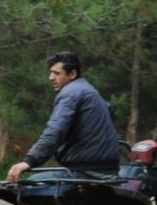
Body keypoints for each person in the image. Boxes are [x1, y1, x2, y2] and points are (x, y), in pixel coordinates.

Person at [6, 51, 120, 183]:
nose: (51, 77)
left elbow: (56, 129)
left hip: (88, 171)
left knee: (31, 185)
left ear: (72, 74)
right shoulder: (89, 90)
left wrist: (29, 161)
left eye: (57, 73)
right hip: (107, 168)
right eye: (51, 72)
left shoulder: (71, 92)